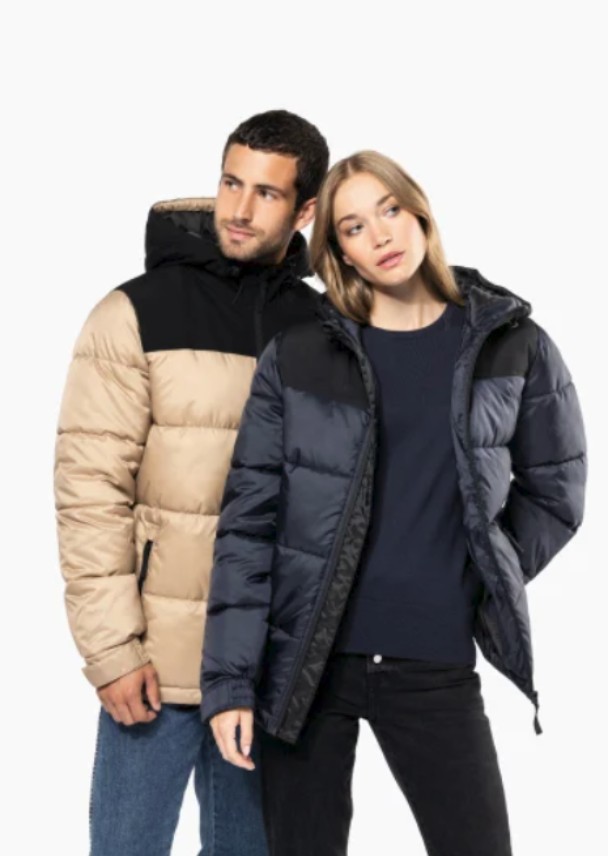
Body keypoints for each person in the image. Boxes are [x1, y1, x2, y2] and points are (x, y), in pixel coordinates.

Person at [201, 150, 587, 856]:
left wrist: (479, 572)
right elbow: (247, 526)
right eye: (353, 226)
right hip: (309, 668)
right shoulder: (297, 355)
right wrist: (228, 684)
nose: (379, 235)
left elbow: (557, 491)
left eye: (390, 211)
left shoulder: (510, 342)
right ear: (337, 250)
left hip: (433, 661)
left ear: (420, 215)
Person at [53, 109, 329, 856]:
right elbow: (90, 491)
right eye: (231, 183)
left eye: (266, 193)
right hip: (154, 664)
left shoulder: (319, 326)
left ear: (305, 209)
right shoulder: (134, 312)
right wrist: (112, 649)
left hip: (268, 670)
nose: (238, 208)